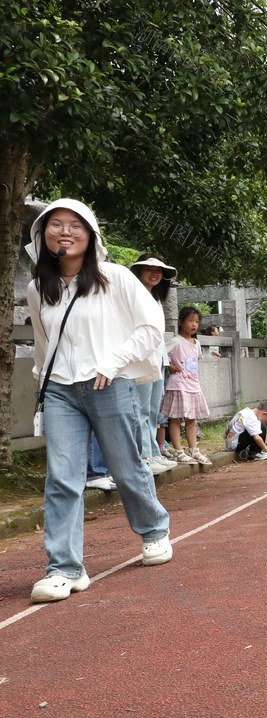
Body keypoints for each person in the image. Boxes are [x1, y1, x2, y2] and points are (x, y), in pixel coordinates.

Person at [25, 198, 173, 603]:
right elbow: (44, 344)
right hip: (60, 390)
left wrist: (115, 359)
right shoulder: (38, 288)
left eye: (76, 225)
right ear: (42, 235)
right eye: (55, 225)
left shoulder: (115, 278)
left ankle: (154, 530)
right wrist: (42, 385)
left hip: (109, 384)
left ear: (90, 235)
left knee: (126, 468)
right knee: (62, 476)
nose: (65, 232)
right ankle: (64, 568)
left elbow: (151, 327)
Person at [130, 254, 179, 475]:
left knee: (152, 409)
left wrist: (166, 361)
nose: (155, 273)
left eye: (159, 270)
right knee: (140, 409)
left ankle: (152, 451)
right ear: (139, 271)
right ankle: (143, 455)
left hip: (158, 360)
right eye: (149, 269)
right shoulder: (132, 297)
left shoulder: (156, 299)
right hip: (140, 360)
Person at [161, 306, 213, 464]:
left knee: (191, 420)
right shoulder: (176, 341)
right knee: (176, 419)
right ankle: (178, 451)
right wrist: (169, 366)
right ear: (180, 322)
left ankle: (193, 450)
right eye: (190, 321)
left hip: (193, 386)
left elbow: (195, 360)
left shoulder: (196, 343)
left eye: (197, 322)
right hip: (178, 386)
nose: (194, 325)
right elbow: (160, 353)